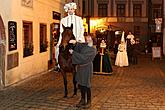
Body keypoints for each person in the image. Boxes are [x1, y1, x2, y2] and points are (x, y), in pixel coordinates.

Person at [69, 35, 97, 109]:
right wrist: (75, 42)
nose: (87, 39)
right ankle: (82, 100)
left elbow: (84, 58)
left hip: (87, 68)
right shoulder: (85, 45)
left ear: (92, 39)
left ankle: (89, 101)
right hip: (81, 68)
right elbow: (80, 45)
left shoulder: (93, 50)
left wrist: (73, 53)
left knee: (86, 85)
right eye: (87, 38)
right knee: (81, 84)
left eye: (89, 38)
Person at [55, 2, 85, 69]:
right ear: (67, 10)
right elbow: (61, 32)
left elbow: (81, 29)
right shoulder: (63, 20)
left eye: (72, 9)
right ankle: (59, 64)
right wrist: (59, 42)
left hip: (77, 39)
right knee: (58, 49)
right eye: (69, 9)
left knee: (82, 50)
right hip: (66, 40)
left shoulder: (79, 19)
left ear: (74, 10)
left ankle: (82, 65)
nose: (71, 10)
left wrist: (78, 39)